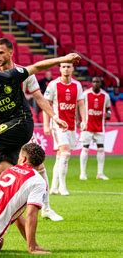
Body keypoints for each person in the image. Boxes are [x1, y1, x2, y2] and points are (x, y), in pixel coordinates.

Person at [0, 38, 66, 221]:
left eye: (1, 52)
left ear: (10, 53)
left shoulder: (23, 73)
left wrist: (54, 116)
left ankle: (46, 208)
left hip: (19, 125)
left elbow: (39, 98)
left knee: (38, 166)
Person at [0, 53, 77, 178]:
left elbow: (36, 67)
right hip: (6, 129)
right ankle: (30, 196)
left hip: (22, 123)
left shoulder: (9, 76)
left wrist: (64, 59)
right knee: (2, 174)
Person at [43, 63, 86, 196]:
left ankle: (54, 187)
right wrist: (46, 124)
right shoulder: (53, 85)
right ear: (60, 69)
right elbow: (46, 104)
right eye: (63, 66)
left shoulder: (77, 85)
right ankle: (62, 186)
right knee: (66, 153)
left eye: (68, 66)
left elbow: (81, 104)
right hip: (58, 124)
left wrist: (84, 120)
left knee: (60, 156)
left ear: (72, 69)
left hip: (72, 125)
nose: (66, 69)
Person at [80, 77, 111, 180]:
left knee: (101, 148)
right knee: (85, 148)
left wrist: (108, 114)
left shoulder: (105, 96)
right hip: (87, 126)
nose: (95, 83)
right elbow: (79, 106)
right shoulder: (85, 94)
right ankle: (83, 173)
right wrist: (79, 120)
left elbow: (108, 108)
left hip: (99, 127)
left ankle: (100, 173)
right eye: (94, 82)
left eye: (97, 82)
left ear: (100, 83)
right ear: (91, 83)